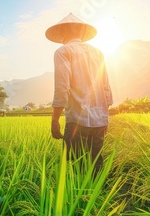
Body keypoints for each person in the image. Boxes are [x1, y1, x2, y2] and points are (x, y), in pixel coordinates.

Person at [45, 13, 113, 173]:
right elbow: (106, 89)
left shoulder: (63, 51)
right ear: (82, 33)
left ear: (62, 33)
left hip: (77, 121)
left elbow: (62, 89)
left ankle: (79, 197)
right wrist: (105, 118)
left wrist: (55, 120)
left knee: (75, 169)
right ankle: (96, 196)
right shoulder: (98, 52)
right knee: (95, 165)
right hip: (100, 121)